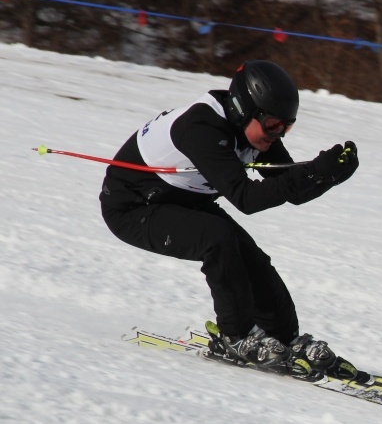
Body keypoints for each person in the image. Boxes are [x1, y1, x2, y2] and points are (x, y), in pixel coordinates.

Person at [99, 60, 359, 378]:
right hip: (133, 207)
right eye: (274, 125)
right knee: (217, 238)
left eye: (286, 127)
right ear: (242, 110)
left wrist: (328, 176)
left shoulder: (258, 132)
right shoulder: (201, 127)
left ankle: (285, 339)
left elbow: (291, 188)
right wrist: (311, 173)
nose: (277, 135)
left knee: (250, 257)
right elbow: (245, 198)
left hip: (186, 201)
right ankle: (234, 338)